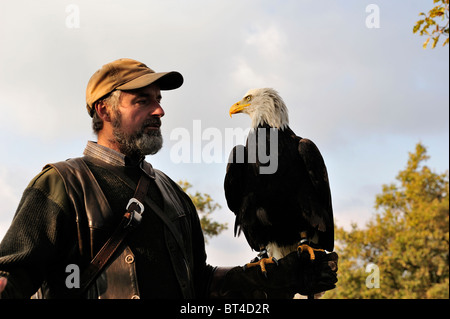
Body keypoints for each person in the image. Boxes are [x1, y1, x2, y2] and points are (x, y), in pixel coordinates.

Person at [0, 58, 337, 299]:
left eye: (159, 100)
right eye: (143, 101)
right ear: (104, 111)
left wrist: (271, 279)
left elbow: (200, 285)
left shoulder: (172, 195)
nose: (159, 110)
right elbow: (10, 278)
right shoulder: (63, 183)